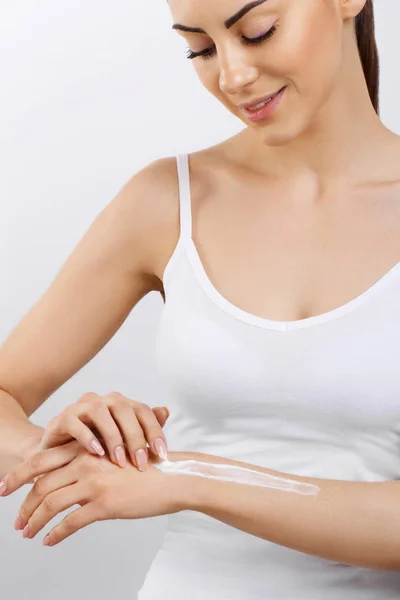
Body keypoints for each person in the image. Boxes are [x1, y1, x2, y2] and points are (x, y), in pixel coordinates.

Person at [1, 0, 400, 597]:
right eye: (201, 49)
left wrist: (195, 475)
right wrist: (69, 449)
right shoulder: (169, 199)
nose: (233, 75)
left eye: (258, 31)